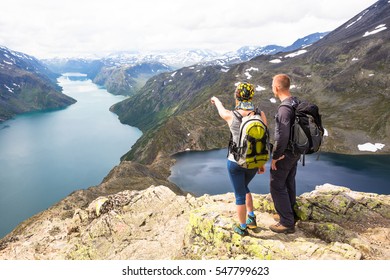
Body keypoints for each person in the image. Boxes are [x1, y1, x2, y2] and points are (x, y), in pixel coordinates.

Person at [210, 82, 267, 236]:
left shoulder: (231, 115)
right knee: (245, 187)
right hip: (254, 161)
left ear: (237, 96)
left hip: (235, 162)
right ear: (252, 96)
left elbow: (221, 110)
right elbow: (263, 139)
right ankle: (252, 218)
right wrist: (261, 163)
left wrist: (216, 100)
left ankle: (243, 227)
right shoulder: (260, 114)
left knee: (239, 194)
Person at [269, 74, 300, 234]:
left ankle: (286, 222)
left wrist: (275, 157)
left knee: (276, 184)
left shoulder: (284, 109)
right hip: (296, 152)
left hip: (286, 153)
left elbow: (282, 136)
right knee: (289, 182)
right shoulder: (296, 102)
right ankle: (289, 213)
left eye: (272, 85)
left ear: (277, 87)